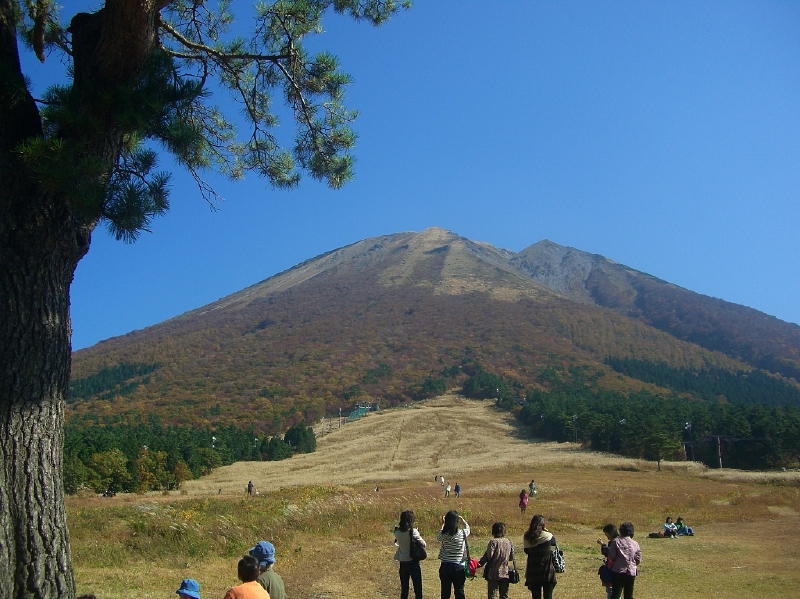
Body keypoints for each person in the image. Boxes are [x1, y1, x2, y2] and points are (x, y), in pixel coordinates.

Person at [437, 510, 470, 599]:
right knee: (459, 590)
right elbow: (468, 529)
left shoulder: (443, 534)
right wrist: (463, 521)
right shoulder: (462, 533)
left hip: (445, 565)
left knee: (445, 591)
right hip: (458, 565)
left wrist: (443, 524)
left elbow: (439, 535)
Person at [394, 509, 427, 599]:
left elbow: (399, 542)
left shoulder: (397, 532)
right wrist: (417, 533)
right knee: (418, 588)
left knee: (404, 589)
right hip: (413, 561)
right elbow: (424, 544)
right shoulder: (413, 532)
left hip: (402, 561)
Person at [523, 514, 556, 599]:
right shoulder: (547, 536)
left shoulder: (527, 537)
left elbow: (526, 551)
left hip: (533, 570)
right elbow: (554, 543)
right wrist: (546, 530)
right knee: (548, 596)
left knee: (536, 596)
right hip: (547, 570)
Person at [478, 522, 514, 599]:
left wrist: (479, 563)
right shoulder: (509, 542)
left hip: (493, 573)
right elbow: (511, 557)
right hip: (505, 572)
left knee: (492, 595)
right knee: (504, 595)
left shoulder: (493, 542)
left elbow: (489, 556)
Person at [607, 522, 640, 599]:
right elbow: (638, 559)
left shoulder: (616, 541)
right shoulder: (635, 543)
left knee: (616, 594)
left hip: (619, 571)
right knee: (629, 595)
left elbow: (612, 556)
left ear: (621, 531)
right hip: (631, 572)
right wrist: (633, 564)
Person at [596, 524, 618, 599]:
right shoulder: (621, 540)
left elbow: (608, 552)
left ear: (610, 533)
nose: (607, 536)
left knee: (611, 590)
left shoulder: (614, 542)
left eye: (606, 534)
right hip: (621, 570)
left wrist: (602, 544)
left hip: (613, 570)